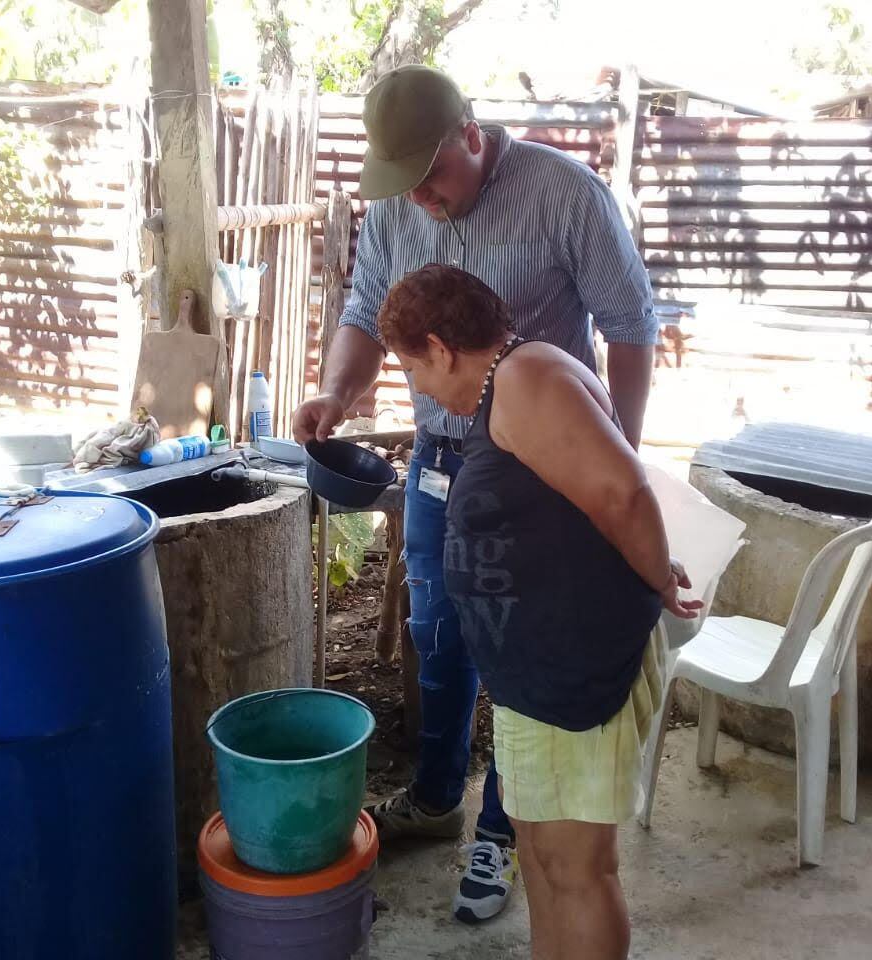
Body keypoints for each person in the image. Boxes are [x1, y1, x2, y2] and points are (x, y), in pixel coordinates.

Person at [292, 64, 660, 923]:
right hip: (439, 459)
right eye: (402, 182)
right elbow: (364, 306)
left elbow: (630, 323)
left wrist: (615, 456)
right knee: (443, 630)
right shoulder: (395, 204)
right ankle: (436, 795)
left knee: (523, 651)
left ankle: (505, 826)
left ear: (469, 130)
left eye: (432, 174)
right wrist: (338, 394)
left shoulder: (565, 194)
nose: (419, 197)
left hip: (540, 465)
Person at [376, 264, 701, 960]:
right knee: (543, 855)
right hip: (538, 674)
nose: (421, 388)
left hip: (575, 670)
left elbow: (624, 494)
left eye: (413, 368)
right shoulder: (520, 377)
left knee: (578, 870)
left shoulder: (528, 382)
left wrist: (661, 579)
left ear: (440, 346)